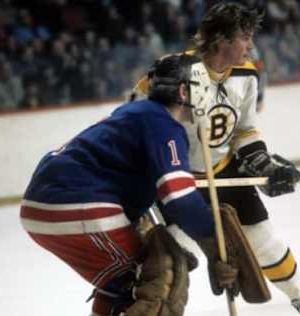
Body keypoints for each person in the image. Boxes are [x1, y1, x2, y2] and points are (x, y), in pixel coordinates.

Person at [130, 3, 300, 316]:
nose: (251, 45)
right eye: (245, 37)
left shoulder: (247, 75)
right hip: (179, 180)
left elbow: (244, 131)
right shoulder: (172, 72)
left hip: (225, 172)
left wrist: (264, 164)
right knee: (170, 258)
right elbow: (133, 118)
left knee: (267, 244)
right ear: (222, 40)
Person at [20, 55, 240, 316]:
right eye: (202, 87)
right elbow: (180, 199)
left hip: (49, 204)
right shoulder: (164, 126)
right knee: (158, 278)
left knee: (122, 286)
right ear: (184, 91)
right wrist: (216, 244)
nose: (206, 96)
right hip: (77, 203)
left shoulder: (135, 112)